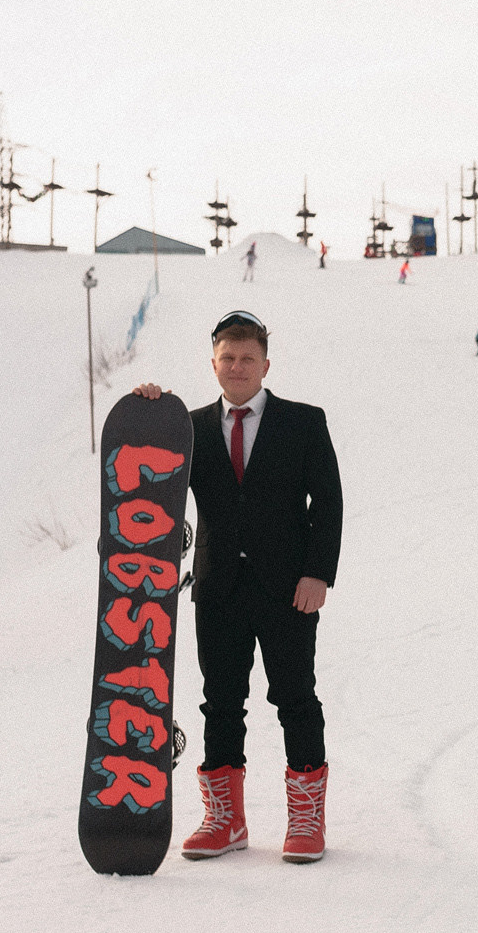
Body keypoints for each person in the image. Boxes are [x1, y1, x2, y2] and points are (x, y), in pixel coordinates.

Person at [133, 311, 342, 864]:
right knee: (220, 701)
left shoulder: (304, 422)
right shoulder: (191, 427)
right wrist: (148, 410)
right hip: (218, 586)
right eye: (228, 357)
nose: (238, 366)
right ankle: (224, 821)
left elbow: (329, 504)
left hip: (288, 588)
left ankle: (305, 818)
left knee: (295, 697)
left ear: (265, 364)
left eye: (248, 358)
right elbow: (151, 472)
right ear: (214, 364)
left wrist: (318, 573)